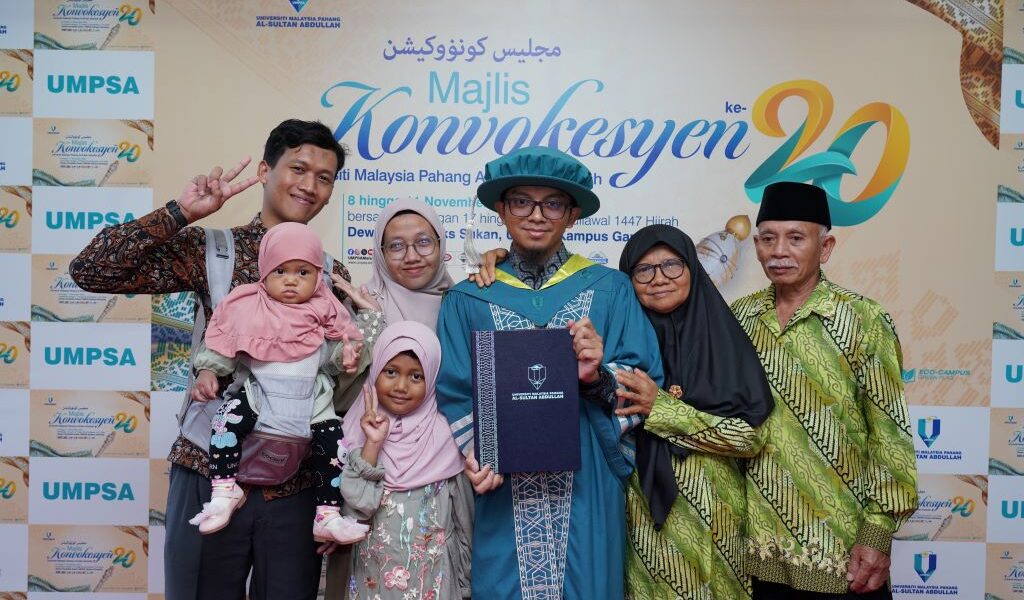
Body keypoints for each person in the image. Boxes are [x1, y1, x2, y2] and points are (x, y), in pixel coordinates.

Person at [70, 119, 383, 600]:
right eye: (298, 168)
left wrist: (333, 500)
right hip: (207, 467)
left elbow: (333, 387)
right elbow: (92, 270)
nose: (310, 185)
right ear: (265, 171)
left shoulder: (329, 275)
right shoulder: (213, 251)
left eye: (324, 177)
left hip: (295, 481)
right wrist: (180, 213)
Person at [436, 145, 663, 600]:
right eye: (521, 201)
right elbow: (455, 391)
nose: (537, 215)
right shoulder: (467, 299)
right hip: (502, 486)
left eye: (553, 203)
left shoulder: (610, 290)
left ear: (573, 214)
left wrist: (597, 376)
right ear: (502, 210)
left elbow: (643, 380)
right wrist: (478, 457)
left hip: (588, 481)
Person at [730, 182, 918, 599]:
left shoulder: (864, 319)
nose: (779, 251)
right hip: (755, 547)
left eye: (796, 238)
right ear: (756, 246)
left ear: (826, 247)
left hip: (839, 547)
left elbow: (890, 433)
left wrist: (878, 531)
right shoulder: (739, 317)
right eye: (768, 239)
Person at [614, 224, 775, 600]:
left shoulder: (724, 340)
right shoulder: (616, 344)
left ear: (693, 268)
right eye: (643, 269)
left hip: (716, 517)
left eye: (672, 265)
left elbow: (751, 437)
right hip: (639, 520)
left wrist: (663, 409)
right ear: (628, 279)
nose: (659, 278)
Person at [186, 222, 369, 546]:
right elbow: (223, 343)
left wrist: (347, 356)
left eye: (303, 272)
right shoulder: (247, 305)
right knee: (225, 420)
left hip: (311, 399)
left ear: (318, 276)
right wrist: (207, 371)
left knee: (334, 444)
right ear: (264, 272)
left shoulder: (326, 306)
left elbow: (338, 349)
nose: (291, 280)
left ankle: (327, 515)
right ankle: (224, 490)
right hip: (259, 392)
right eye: (281, 270)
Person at [339, 321, 472, 599]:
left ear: (432, 379)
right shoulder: (355, 432)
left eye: (416, 376)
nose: (401, 386)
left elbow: (465, 522)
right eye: (390, 372)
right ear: (375, 370)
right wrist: (372, 444)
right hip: (372, 584)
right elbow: (355, 513)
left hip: (434, 585)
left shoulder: (447, 438)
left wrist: (465, 584)